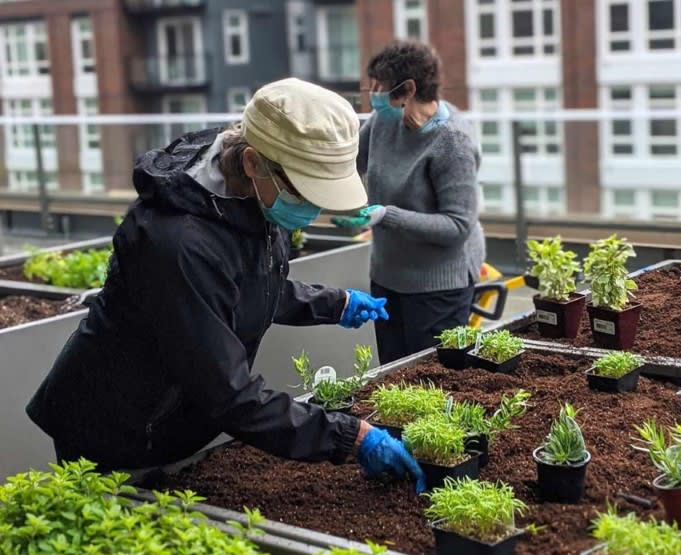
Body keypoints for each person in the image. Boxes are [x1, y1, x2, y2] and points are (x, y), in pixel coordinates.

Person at [26, 78, 425, 492]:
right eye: (304, 192)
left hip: (174, 411)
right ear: (252, 163)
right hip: (119, 427)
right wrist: (351, 437)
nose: (313, 208)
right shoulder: (176, 244)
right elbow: (228, 393)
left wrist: (333, 304)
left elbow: (244, 287)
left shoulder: (249, 196)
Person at [333, 41, 485, 365]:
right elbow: (348, 162)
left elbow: (457, 226)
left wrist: (386, 215)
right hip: (388, 275)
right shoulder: (383, 120)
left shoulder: (452, 141)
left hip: (438, 286)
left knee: (432, 381)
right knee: (393, 376)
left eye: (379, 86)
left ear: (408, 90)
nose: (372, 94)